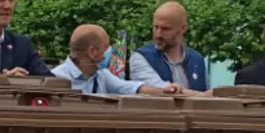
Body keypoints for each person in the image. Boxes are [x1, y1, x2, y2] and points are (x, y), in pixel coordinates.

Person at [53, 25, 185, 96]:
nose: (111, 52)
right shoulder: (56, 80)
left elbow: (129, 87)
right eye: (106, 47)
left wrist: (165, 90)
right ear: (92, 52)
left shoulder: (101, 75)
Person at [129, 2, 208, 92]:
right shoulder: (141, 57)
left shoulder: (197, 60)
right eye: (156, 27)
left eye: (165, 29)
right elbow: (165, 91)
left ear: (183, 28)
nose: (158, 34)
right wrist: (204, 96)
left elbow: (208, 96)